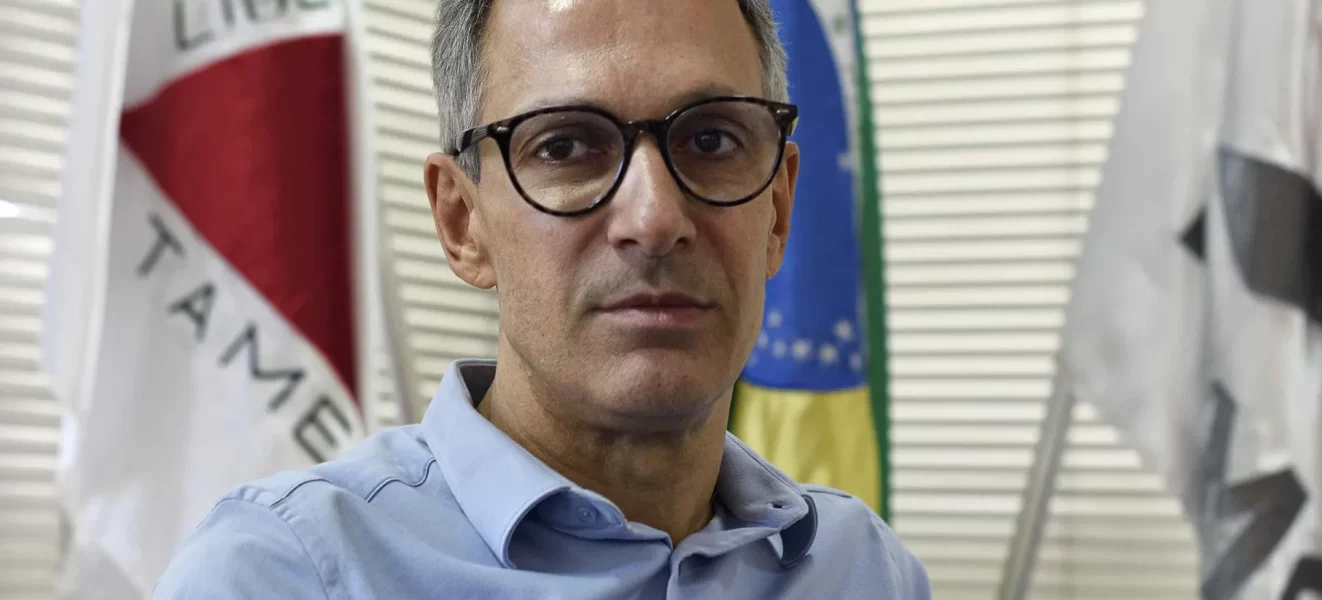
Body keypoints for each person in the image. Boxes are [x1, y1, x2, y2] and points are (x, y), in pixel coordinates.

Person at [154, 0, 931, 597]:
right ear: (462, 224)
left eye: (711, 141)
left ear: (780, 213)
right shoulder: (286, 574)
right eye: (565, 145)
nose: (655, 218)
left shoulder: (864, 570)